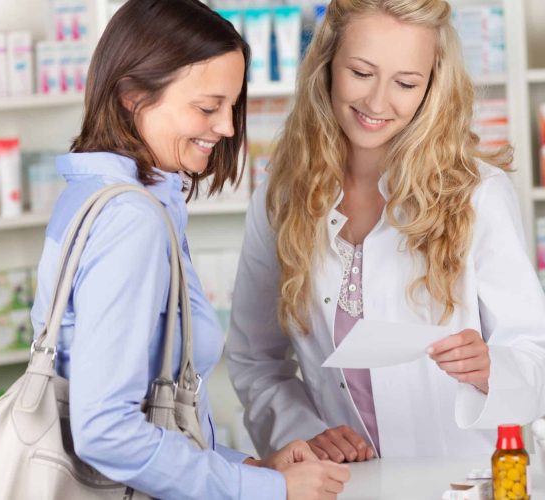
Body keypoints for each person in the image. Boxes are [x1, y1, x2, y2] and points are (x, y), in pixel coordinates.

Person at [29, 0, 348, 498]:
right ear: (133, 96)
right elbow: (106, 430)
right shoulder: (130, 220)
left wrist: (253, 468)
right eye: (207, 107)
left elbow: (151, 418)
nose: (225, 127)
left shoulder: (96, 196)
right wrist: (262, 490)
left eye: (230, 107)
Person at [226, 0, 545, 463]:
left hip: (459, 481)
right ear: (326, 64)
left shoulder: (477, 194)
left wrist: (490, 368)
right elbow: (256, 361)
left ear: (432, 87)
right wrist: (304, 435)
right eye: (361, 73)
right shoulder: (281, 200)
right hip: (341, 484)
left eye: (405, 83)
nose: (377, 102)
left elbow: (540, 363)